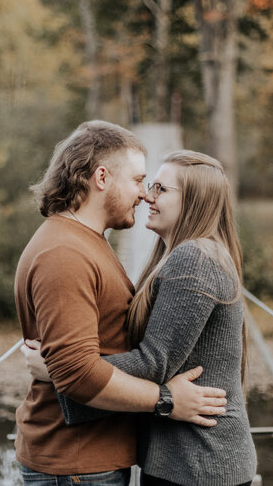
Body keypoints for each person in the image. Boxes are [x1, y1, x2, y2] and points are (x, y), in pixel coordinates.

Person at [24, 150, 257, 486]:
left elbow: (154, 363)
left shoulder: (195, 260)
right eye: (149, 185)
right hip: (188, 459)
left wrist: (62, 371)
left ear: (195, 200)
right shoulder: (180, 256)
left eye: (162, 189)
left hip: (199, 461)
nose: (148, 195)